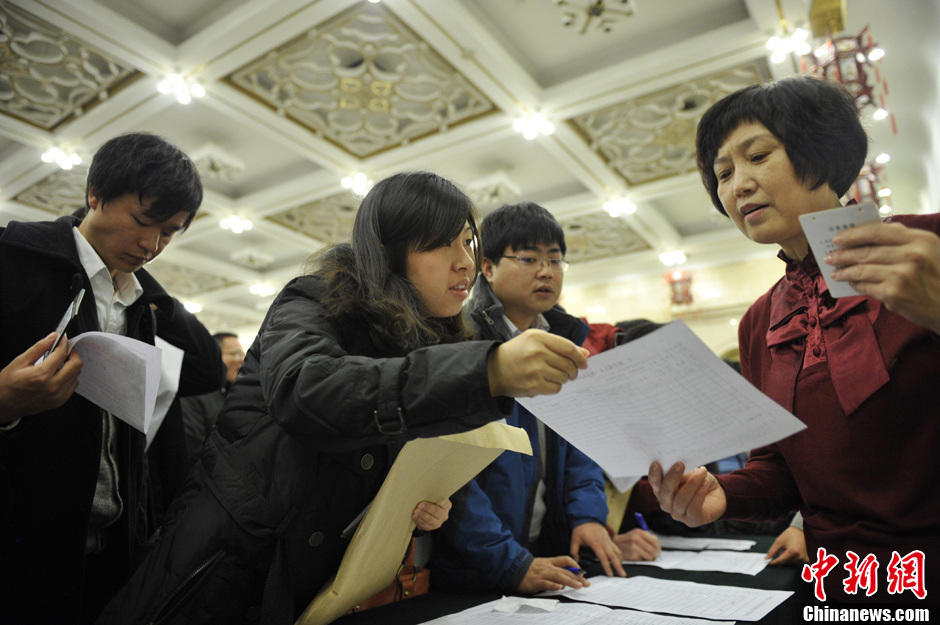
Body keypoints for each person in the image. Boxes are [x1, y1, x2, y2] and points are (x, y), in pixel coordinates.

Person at [97, 172, 591, 624]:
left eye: (466, 241)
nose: (464, 262)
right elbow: (307, 390)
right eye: (441, 244)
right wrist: (485, 369)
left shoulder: (427, 346)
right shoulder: (312, 300)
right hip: (223, 568)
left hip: (317, 588)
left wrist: (420, 511)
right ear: (391, 252)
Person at [648, 76, 940, 602]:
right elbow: (779, 468)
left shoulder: (926, 246)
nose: (738, 185)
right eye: (723, 174)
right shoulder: (759, 323)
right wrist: (721, 495)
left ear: (821, 149)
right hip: (840, 584)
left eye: (757, 155)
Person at [0, 132, 224, 624]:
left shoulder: (138, 302)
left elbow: (207, 367)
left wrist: (143, 284)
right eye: (143, 222)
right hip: (23, 546)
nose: (151, 245)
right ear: (94, 195)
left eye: (170, 233)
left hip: (113, 545)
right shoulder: (13, 259)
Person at [430, 202, 658, 596]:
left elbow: (580, 446)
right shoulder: (459, 343)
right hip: (473, 571)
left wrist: (588, 517)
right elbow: (452, 476)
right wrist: (509, 562)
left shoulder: (567, 342)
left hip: (547, 558)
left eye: (555, 259)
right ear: (487, 267)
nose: (546, 271)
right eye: (529, 258)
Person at [180, 331, 245, 462]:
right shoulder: (193, 395)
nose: (242, 360)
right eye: (235, 354)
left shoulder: (236, 396)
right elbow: (194, 450)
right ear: (214, 355)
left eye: (243, 354)